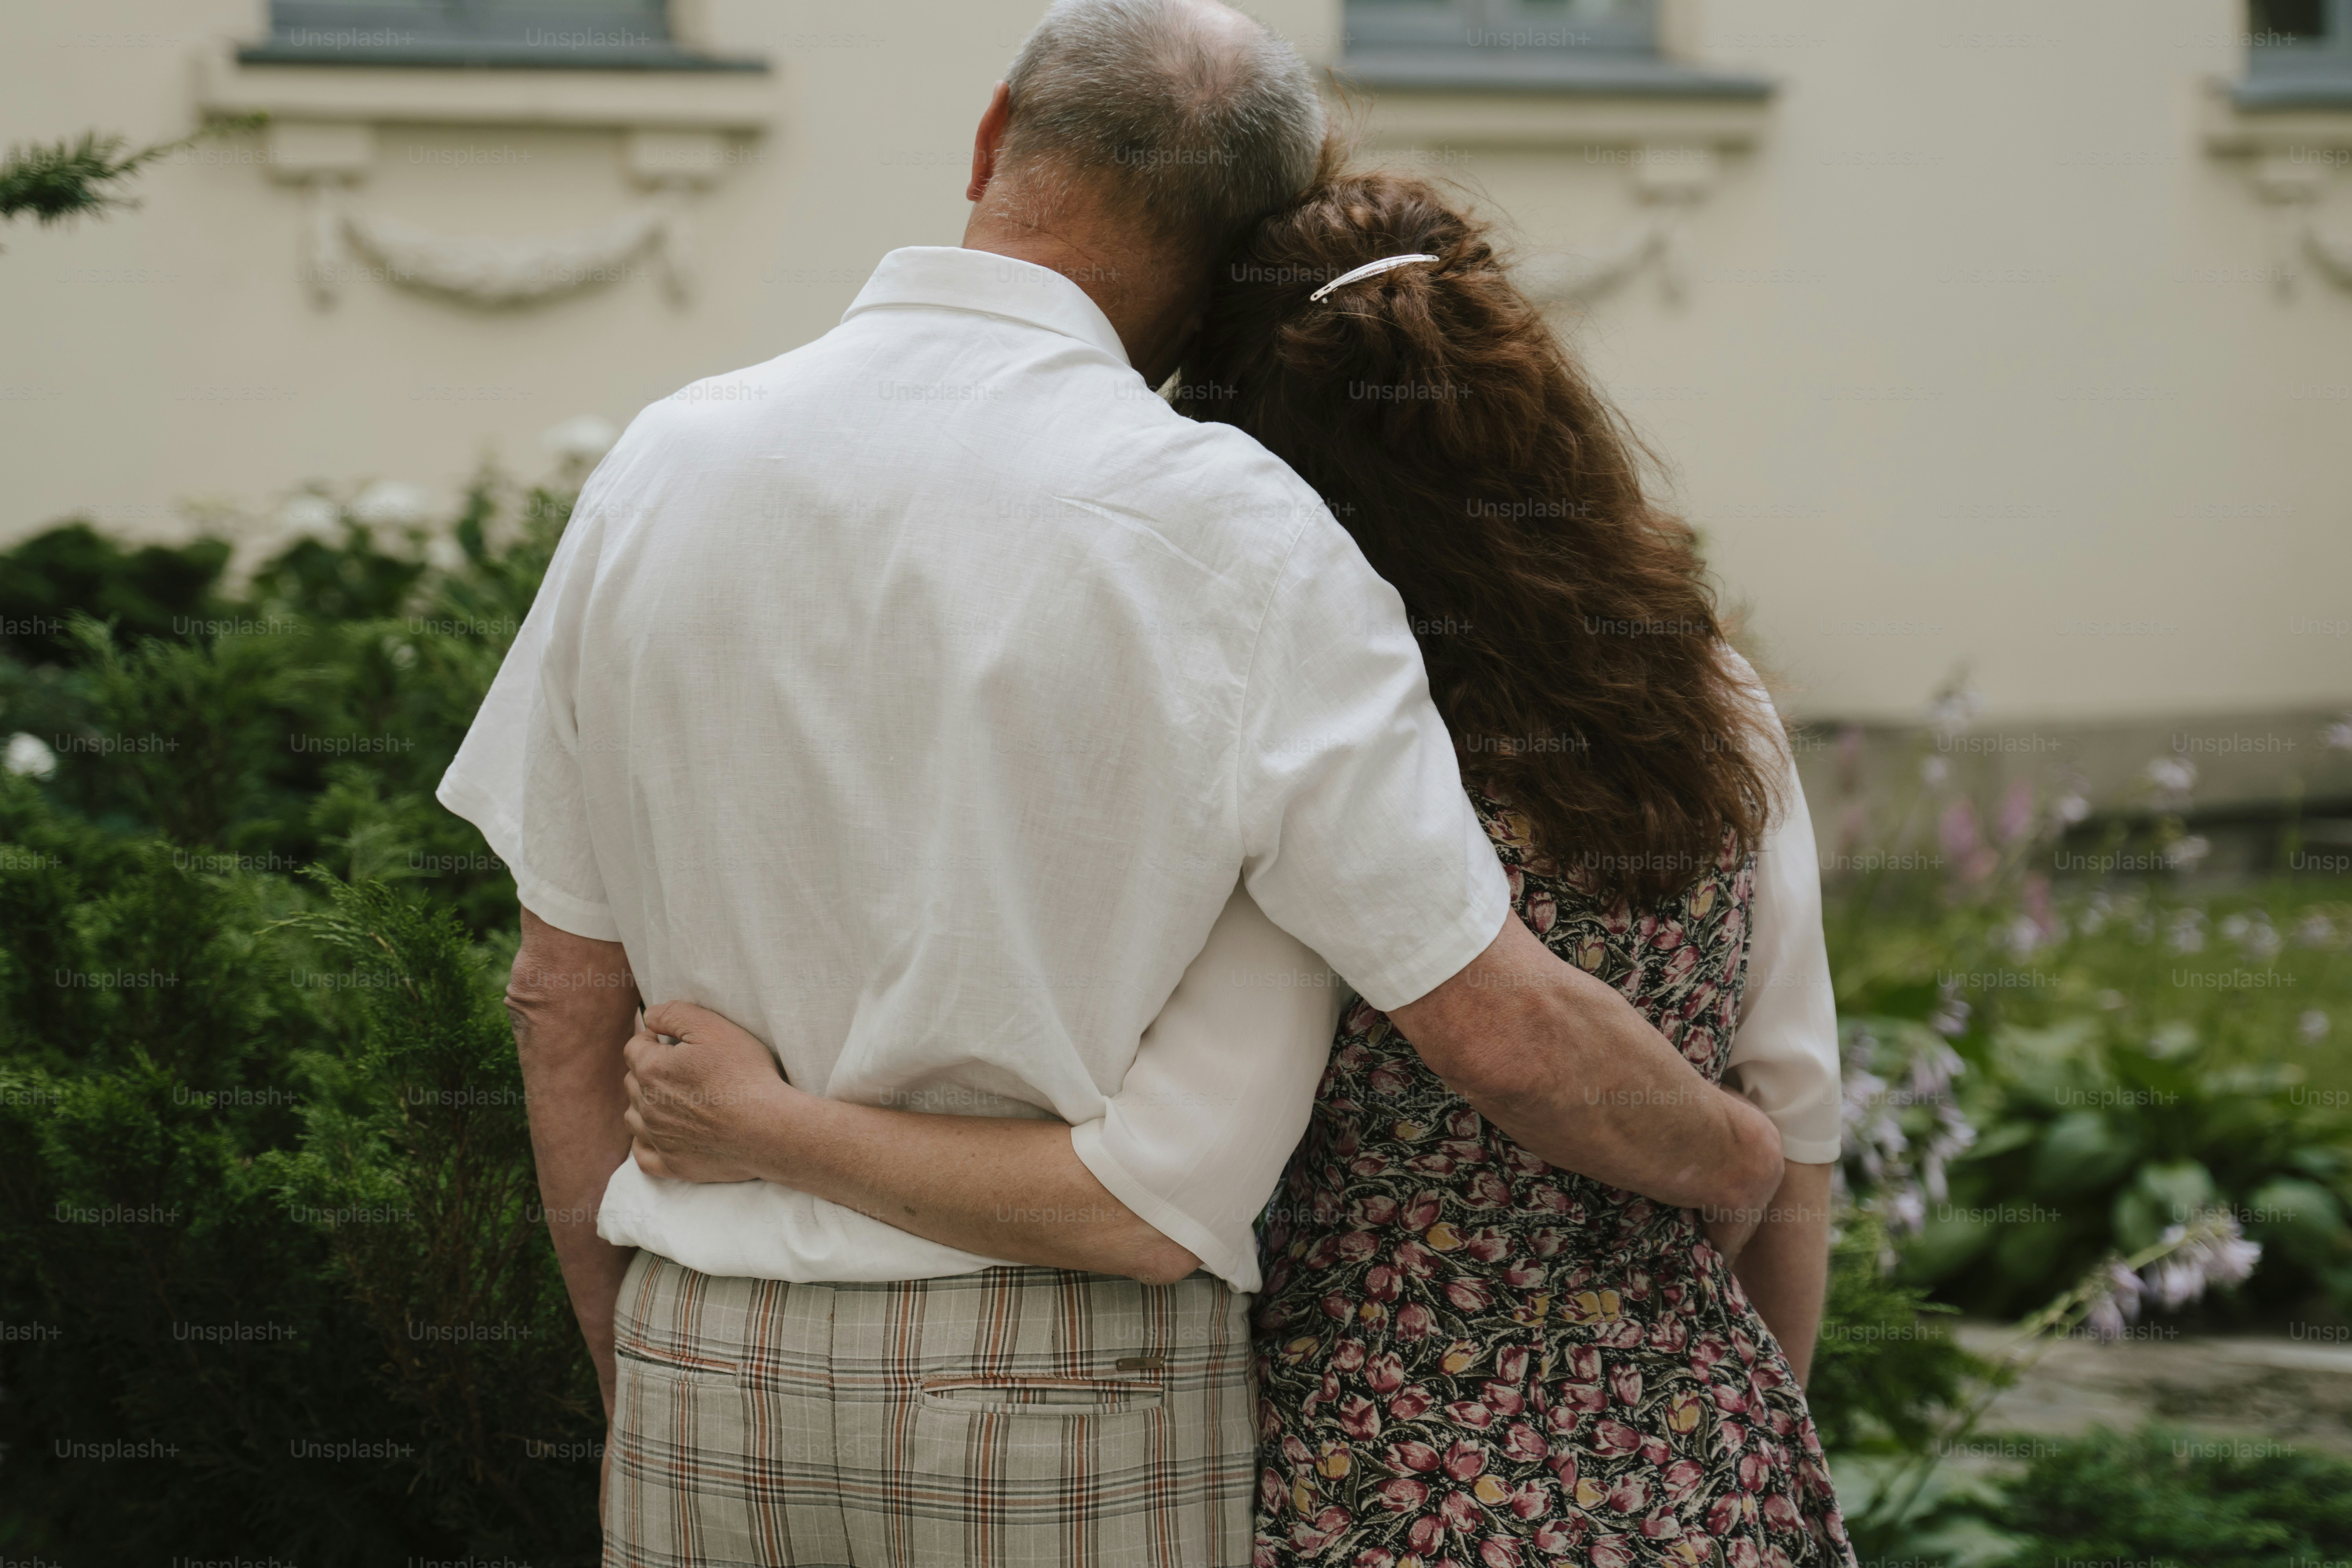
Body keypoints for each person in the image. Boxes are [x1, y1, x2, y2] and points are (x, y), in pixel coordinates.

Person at [443, 2, 1785, 1563]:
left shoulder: (665, 462)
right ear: (1239, 260)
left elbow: (560, 991)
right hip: (1059, 1393)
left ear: (992, 134)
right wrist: (1735, 1149)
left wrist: (637, 1360)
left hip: (699, 1366)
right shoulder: (1244, 535)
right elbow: (1494, 1024)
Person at [1172, 169, 1856, 1567]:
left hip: (1360, 1472)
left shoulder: (1301, 736)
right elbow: (1794, 1128)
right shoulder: (1707, 694)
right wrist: (1752, 1429)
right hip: (1694, 1458)